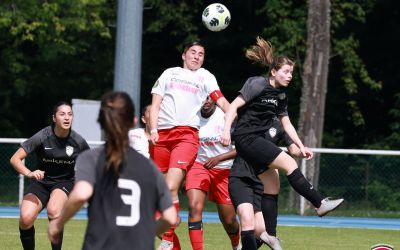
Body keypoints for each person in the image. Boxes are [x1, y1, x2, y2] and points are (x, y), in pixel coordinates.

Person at [221, 36, 344, 250]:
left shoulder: (281, 96)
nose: (290, 76)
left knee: (272, 185)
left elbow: (287, 125)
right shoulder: (256, 83)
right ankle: (319, 203)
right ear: (273, 72)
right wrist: (225, 131)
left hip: (255, 144)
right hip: (246, 137)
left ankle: (270, 234)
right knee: (288, 164)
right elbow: (232, 107)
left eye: (291, 73)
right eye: (286, 72)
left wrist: (301, 145)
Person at [47, 91, 177, 250]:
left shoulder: (91, 158)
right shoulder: (149, 166)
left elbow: (81, 193)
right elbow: (170, 217)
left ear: (100, 122)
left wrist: (57, 224)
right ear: (134, 121)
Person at [149, 41, 230, 250]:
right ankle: (172, 244)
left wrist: (231, 118)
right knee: (163, 192)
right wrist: (153, 130)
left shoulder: (205, 76)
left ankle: (167, 238)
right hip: (162, 137)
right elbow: (155, 105)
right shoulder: (169, 73)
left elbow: (222, 102)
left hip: (186, 136)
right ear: (183, 55)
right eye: (192, 52)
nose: (196, 56)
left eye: (201, 54)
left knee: (171, 186)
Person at [10, 101, 90, 250]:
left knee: (54, 210)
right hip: (40, 181)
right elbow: (15, 159)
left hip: (64, 182)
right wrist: (29, 173)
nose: (67, 117)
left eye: (70, 114)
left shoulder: (78, 141)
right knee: (26, 218)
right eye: (62, 114)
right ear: (54, 118)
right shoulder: (43, 136)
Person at [229, 118, 305, 250]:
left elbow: (293, 149)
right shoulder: (247, 118)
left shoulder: (279, 124)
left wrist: (302, 152)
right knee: (246, 222)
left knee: (260, 231)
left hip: (262, 181)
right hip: (241, 175)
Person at [185, 96, 240, 250]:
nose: (206, 101)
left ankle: (236, 245)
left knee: (229, 220)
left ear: (216, 99)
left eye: (209, 97)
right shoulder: (191, 116)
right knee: (194, 208)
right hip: (199, 165)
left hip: (224, 169)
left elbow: (243, 146)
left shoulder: (226, 116)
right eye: (202, 97)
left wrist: (219, 158)